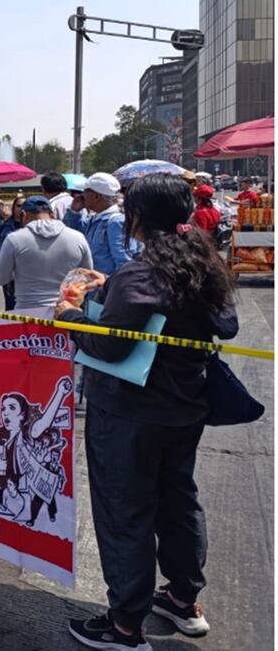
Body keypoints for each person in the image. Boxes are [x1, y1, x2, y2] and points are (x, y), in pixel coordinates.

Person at [55, 174, 238, 650]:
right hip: (185, 408)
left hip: (129, 413)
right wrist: (110, 285)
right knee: (178, 502)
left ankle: (124, 626)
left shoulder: (144, 272)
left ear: (136, 217)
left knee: (125, 511)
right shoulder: (201, 262)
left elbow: (108, 347)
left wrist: (70, 317)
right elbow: (228, 323)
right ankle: (182, 599)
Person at [0, 196, 93, 310]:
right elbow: (87, 275)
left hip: (27, 311)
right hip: (66, 312)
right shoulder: (78, 237)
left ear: (25, 215)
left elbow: (0, 278)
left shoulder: (14, 239)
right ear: (52, 214)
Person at [65, 172, 136, 277]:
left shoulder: (115, 222)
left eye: (85, 191)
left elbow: (124, 263)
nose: (81, 195)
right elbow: (73, 232)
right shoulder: (95, 219)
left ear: (96, 196)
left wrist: (109, 285)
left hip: (108, 289)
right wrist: (74, 212)